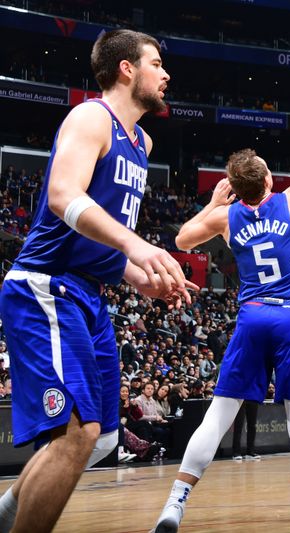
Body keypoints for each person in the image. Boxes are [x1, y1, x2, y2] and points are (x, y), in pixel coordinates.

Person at [0, 30, 193, 533]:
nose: (166, 73)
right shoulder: (91, 117)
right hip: (46, 283)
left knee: (103, 437)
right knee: (77, 433)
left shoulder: (142, 143)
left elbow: (100, 242)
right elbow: (64, 197)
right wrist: (136, 246)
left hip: (88, 290)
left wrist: (139, 277)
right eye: (156, 64)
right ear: (126, 69)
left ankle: (6, 512)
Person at [152, 104, 290, 533]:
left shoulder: (225, 217)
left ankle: (174, 506)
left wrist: (213, 203)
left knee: (217, 417)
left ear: (234, 188)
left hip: (252, 316)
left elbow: (181, 238)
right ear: (270, 181)